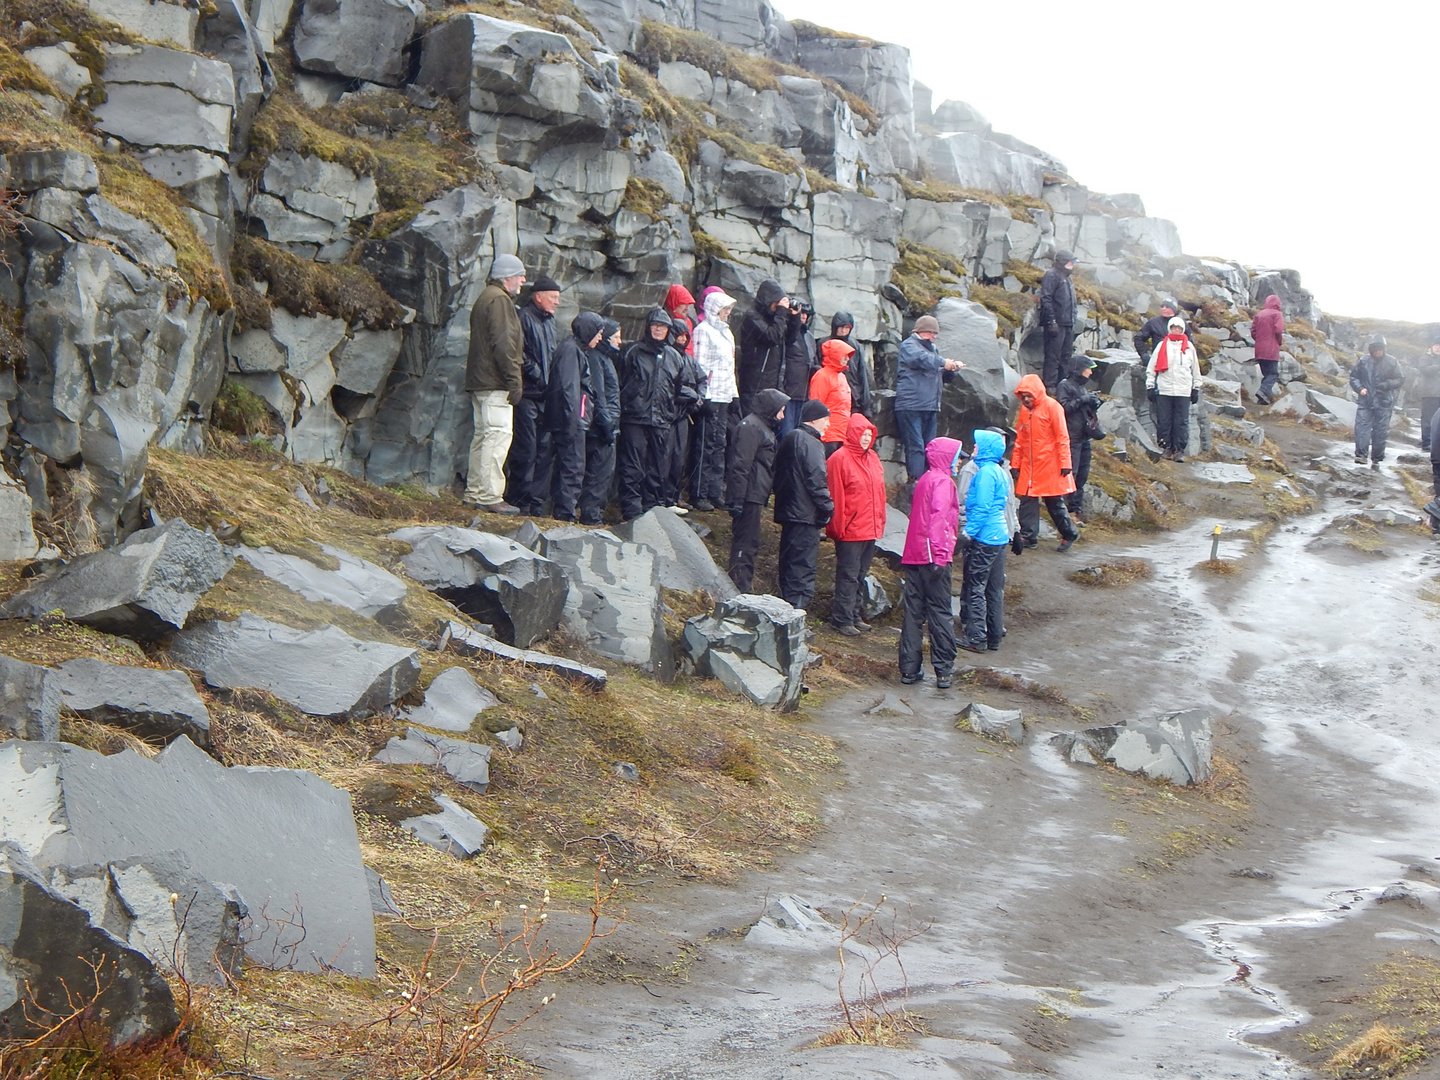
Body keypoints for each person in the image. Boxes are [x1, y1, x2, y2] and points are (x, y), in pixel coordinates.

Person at [898, 437, 966, 688]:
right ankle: (944, 670)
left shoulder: (925, 479)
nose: (959, 461)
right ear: (947, 458)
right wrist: (939, 555)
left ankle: (909, 669)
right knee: (940, 613)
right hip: (933, 557)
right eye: (957, 456)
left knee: (913, 613)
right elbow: (938, 520)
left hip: (914, 554)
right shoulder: (944, 482)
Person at [463, 254, 526, 514]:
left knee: (482, 437)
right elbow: (504, 344)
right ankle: (489, 495)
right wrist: (514, 381)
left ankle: (475, 492)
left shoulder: (485, 296)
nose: (523, 280)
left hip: (480, 381)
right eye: (520, 275)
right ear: (507, 277)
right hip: (494, 381)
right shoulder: (500, 300)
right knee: (497, 436)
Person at [825, 412, 886, 636]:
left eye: (869, 434)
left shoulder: (873, 459)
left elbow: (879, 493)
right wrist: (837, 527)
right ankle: (841, 618)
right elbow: (836, 496)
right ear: (853, 434)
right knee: (848, 575)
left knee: (861, 574)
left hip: (869, 528)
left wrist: (879, 521)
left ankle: (854, 614)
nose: (865, 438)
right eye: (862, 434)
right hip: (850, 529)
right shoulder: (838, 459)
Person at [537, 312, 601, 522]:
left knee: (562, 465)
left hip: (567, 417)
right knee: (572, 466)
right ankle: (565, 513)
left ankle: (555, 509)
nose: (600, 337)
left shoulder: (573, 349)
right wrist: (574, 419)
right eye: (598, 333)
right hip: (569, 419)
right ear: (589, 330)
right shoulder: (571, 350)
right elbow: (568, 387)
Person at [505, 274, 561, 514]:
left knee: (543, 451)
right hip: (527, 393)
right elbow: (519, 353)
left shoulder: (549, 322)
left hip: (545, 396)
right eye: (553, 297)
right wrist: (538, 374)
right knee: (525, 449)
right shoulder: (524, 317)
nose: (557, 302)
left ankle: (534, 502)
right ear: (539, 297)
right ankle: (518, 498)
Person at [617, 309, 679, 520]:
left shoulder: (674, 357)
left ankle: (652, 506)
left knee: (657, 466)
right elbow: (620, 381)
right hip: (634, 417)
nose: (658, 329)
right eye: (655, 325)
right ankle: (631, 508)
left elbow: (680, 387)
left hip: (661, 419)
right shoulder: (632, 351)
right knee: (632, 465)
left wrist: (671, 412)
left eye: (663, 326)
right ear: (648, 326)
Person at [726, 388, 790, 592]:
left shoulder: (761, 426)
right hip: (747, 495)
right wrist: (736, 500)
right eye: (781, 411)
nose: (783, 416)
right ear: (770, 409)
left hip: (754, 493)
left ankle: (744, 583)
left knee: (751, 541)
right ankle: (739, 585)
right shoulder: (751, 427)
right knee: (745, 542)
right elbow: (740, 465)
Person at [772, 400, 833, 611]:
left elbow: (777, 474)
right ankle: (795, 616)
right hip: (806, 515)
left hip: (788, 511)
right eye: (826, 420)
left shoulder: (790, 437)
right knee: (803, 569)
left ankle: (784, 611)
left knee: (788, 565)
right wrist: (827, 507)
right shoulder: (811, 442)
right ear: (814, 419)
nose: (828, 425)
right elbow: (816, 479)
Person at [959, 429, 1012, 653]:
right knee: (993, 588)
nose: (974, 448)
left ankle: (977, 637)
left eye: (977, 445)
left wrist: (967, 533)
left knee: (975, 586)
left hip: (985, 537)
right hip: (1000, 535)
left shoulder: (985, 474)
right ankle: (994, 635)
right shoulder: (998, 471)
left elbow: (981, 508)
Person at [1012, 373, 1079, 551]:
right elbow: (1020, 439)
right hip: (1030, 464)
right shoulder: (1024, 411)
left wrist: (1065, 463)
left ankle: (1070, 533)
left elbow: (1062, 437)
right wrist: (1015, 464)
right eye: (1023, 396)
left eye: (1029, 396)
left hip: (1050, 464)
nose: (1026, 400)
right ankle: (1028, 536)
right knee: (1027, 500)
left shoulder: (1052, 406)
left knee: (1054, 502)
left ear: (1037, 393)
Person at [894, 314, 964, 481]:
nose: (934, 337)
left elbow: (940, 375)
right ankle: (917, 481)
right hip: (911, 405)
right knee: (916, 446)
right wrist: (943, 362)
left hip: (930, 406)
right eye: (932, 333)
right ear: (922, 331)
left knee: (930, 446)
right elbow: (921, 359)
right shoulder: (909, 346)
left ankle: (929, 479)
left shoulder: (933, 351)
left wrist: (952, 370)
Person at [691, 290, 738, 511]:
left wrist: (734, 394)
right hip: (710, 396)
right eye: (724, 309)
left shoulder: (727, 333)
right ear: (714, 309)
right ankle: (699, 492)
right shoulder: (703, 331)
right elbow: (699, 366)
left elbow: (730, 367)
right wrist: (704, 395)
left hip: (724, 396)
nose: (728, 313)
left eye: (729, 309)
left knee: (720, 443)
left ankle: (714, 490)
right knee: (704, 445)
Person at [577, 319, 621, 526]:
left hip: (608, 422)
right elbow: (599, 394)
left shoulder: (606, 358)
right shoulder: (596, 358)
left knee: (604, 473)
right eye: (617, 337)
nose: (620, 341)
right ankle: (591, 516)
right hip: (601, 426)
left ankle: (594, 513)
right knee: (598, 472)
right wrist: (606, 424)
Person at [1145, 316, 1203, 462]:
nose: (1176, 330)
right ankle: (1166, 447)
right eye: (1173, 328)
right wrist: (1150, 386)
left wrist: (1196, 388)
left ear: (1183, 329)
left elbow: (1195, 369)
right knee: (1164, 420)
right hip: (1164, 389)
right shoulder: (1161, 346)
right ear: (1169, 329)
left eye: (1179, 328)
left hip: (1183, 391)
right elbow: (1151, 368)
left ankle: (1179, 450)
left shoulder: (1189, 347)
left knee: (1181, 421)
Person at [662, 321, 704, 511]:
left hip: (684, 416)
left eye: (685, 336)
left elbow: (702, 380)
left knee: (679, 458)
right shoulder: (665, 357)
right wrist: (691, 395)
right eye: (679, 336)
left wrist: (698, 400)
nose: (682, 340)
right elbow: (669, 388)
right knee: (664, 457)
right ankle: (662, 497)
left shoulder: (689, 360)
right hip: (667, 414)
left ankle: (674, 495)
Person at [1055, 358, 1102, 522]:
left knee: (1082, 475)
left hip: (1084, 436)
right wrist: (1083, 400)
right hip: (1071, 437)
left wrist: (1094, 403)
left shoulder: (1081, 387)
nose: (1090, 372)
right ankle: (1063, 512)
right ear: (1079, 369)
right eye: (1088, 369)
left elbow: (1082, 409)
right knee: (1070, 473)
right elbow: (1063, 408)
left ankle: (1075, 510)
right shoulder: (1064, 385)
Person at [737, 278, 791, 412]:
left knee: (770, 421)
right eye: (775, 303)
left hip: (773, 379)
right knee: (753, 418)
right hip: (756, 380)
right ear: (767, 301)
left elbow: (789, 338)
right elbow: (771, 336)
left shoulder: (774, 318)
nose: (777, 307)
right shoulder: (752, 316)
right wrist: (781, 313)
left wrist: (794, 317)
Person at [1350, 334, 1404, 466]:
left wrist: (1387, 385)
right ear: (1371, 349)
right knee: (1362, 428)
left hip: (1384, 401)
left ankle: (1377, 458)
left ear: (1384, 349)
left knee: (1381, 430)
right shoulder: (1363, 361)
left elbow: (1400, 379)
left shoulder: (1392, 362)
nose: (1378, 352)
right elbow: (1353, 377)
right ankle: (1361, 456)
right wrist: (1359, 388)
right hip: (1366, 400)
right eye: (1375, 349)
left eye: (1380, 349)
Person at [809, 337, 854, 457]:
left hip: (841, 434)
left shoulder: (842, 376)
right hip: (827, 436)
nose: (847, 358)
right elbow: (816, 406)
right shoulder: (822, 376)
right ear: (835, 355)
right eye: (843, 354)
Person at [1039, 249, 1078, 388]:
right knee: (1052, 357)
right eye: (1070, 262)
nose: (1073, 265)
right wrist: (1051, 321)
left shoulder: (1067, 278)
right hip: (1056, 324)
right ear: (1062, 263)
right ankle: (1049, 387)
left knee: (1066, 357)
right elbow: (1046, 298)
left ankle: (1062, 386)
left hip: (1068, 324)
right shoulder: (1052, 275)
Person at [778, 302, 818, 435]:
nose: (804, 316)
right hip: (788, 391)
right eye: (801, 312)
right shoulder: (786, 333)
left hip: (805, 393)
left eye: (806, 313)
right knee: (786, 433)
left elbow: (814, 361)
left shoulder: (810, 338)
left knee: (802, 434)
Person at [826, 310, 872, 420]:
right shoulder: (824, 344)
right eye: (840, 327)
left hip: (854, 398)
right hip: (832, 397)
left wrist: (866, 406)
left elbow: (862, 376)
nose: (843, 331)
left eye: (847, 328)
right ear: (834, 327)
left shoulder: (855, 345)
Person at [1250, 294, 1286, 405]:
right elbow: (1278, 330)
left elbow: (1253, 331)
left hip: (1259, 350)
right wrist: (1279, 342)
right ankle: (1263, 391)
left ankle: (1263, 400)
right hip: (1271, 350)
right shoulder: (1277, 314)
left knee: (1266, 375)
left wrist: (1259, 340)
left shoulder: (1260, 314)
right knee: (1273, 374)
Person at [1133, 298, 1180, 366]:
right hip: (1157, 362)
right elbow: (1138, 338)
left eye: (1167, 307)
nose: (1163, 308)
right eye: (1162, 306)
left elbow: (1190, 344)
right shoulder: (1153, 322)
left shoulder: (1181, 324)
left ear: (1173, 309)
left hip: (1177, 364)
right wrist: (1144, 355)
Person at [1417, 333, 1440, 454]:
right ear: (1432, 346)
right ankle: (1426, 443)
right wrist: (1437, 366)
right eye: (1436, 345)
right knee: (1428, 419)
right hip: (1429, 394)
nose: (1438, 347)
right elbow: (1424, 369)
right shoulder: (1425, 357)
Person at [664, 284, 697, 354]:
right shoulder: (664, 323)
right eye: (684, 303)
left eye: (688, 304)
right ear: (674, 302)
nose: (687, 308)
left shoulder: (690, 322)